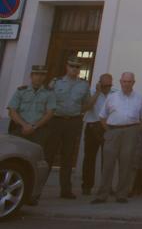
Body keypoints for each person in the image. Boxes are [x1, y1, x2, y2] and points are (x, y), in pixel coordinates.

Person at [93, 71, 142, 204]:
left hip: (131, 132)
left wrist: (134, 131)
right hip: (113, 131)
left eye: (129, 81)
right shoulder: (112, 97)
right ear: (120, 82)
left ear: (133, 83)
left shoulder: (139, 98)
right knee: (108, 165)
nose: (126, 84)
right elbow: (102, 116)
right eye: (124, 81)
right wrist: (109, 131)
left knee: (126, 164)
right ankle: (102, 195)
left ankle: (121, 194)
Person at [48, 56, 93, 199]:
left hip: (73, 121)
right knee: (48, 155)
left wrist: (78, 113)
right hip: (56, 121)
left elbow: (86, 104)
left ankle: (65, 190)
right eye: (72, 66)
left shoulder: (84, 85)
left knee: (68, 157)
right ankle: (36, 190)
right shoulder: (56, 82)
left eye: (77, 67)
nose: (75, 69)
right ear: (67, 67)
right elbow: (47, 101)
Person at [6, 65, 55, 150]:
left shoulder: (49, 93)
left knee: (34, 155)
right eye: (36, 74)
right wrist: (24, 125)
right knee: (15, 153)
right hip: (20, 129)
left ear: (45, 77)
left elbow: (50, 113)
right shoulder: (21, 91)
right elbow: (12, 110)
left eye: (42, 75)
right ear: (31, 75)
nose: (39, 77)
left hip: (39, 131)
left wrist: (34, 126)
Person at [82, 73, 114, 195]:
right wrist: (97, 93)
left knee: (108, 159)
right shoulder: (91, 92)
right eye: (105, 85)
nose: (107, 88)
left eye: (109, 85)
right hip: (93, 126)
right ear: (100, 83)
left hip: (108, 127)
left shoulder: (115, 94)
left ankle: (106, 186)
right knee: (89, 158)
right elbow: (86, 107)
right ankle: (87, 186)